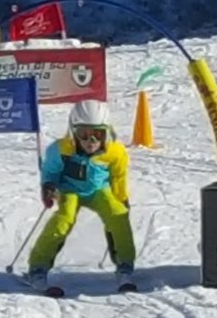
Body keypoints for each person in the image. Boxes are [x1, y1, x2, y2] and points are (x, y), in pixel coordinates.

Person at [27, 100, 136, 289]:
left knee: (118, 214)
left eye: (98, 134)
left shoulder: (115, 151)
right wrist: (48, 186)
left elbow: (118, 176)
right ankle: (38, 267)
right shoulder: (61, 149)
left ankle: (125, 265)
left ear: (107, 133)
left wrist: (122, 197)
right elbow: (50, 171)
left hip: (97, 190)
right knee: (64, 218)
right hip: (70, 189)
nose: (90, 142)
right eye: (83, 134)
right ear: (73, 132)